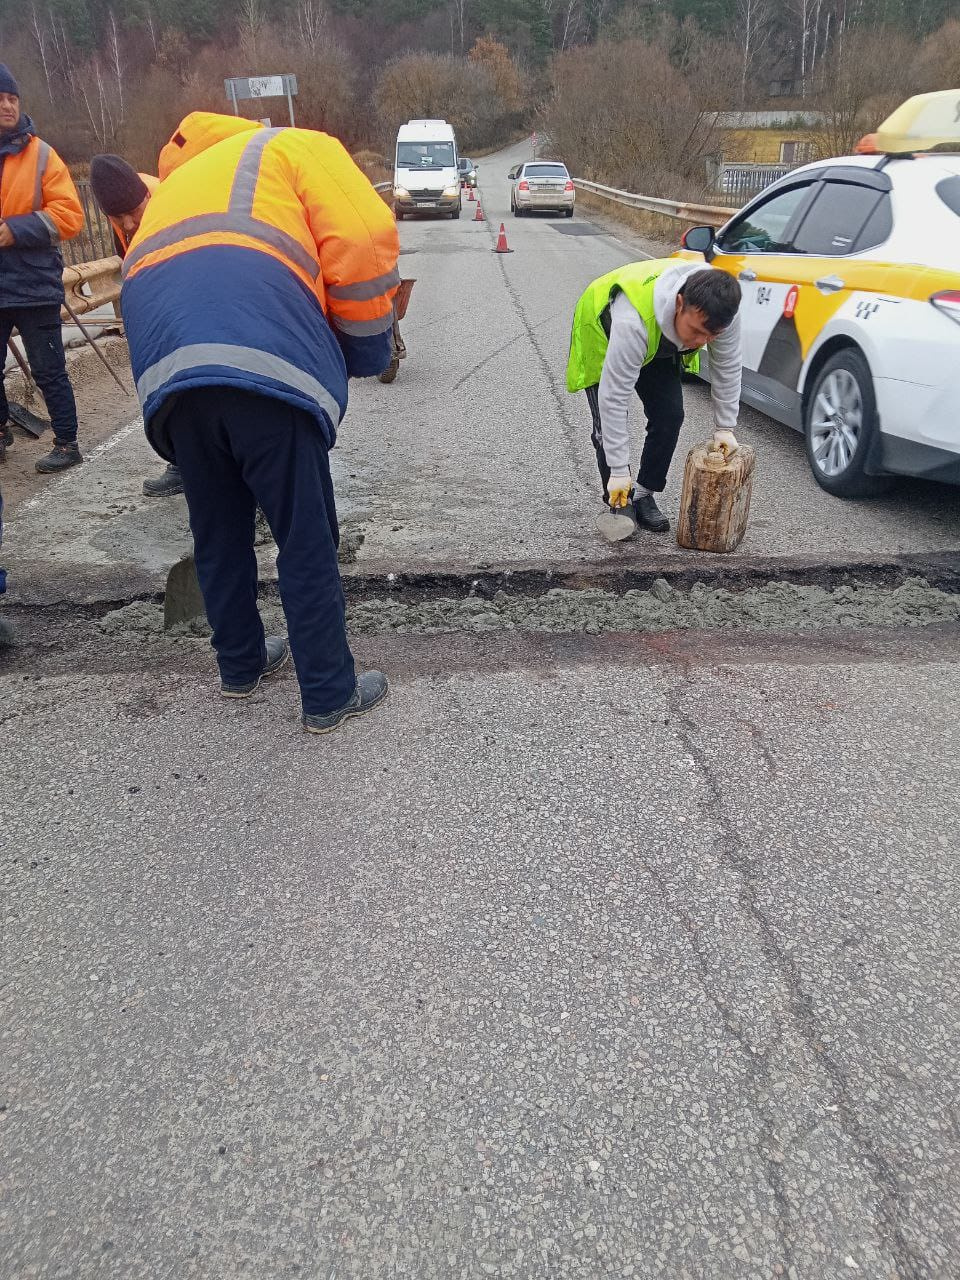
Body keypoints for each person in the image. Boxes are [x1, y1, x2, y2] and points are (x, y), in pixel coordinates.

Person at [121, 112, 400, 734]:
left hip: (170, 374)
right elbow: (362, 238)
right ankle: (329, 693)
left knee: (217, 526)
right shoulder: (295, 147)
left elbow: (138, 280)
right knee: (304, 533)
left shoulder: (177, 186)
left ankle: (241, 665)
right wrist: (368, 351)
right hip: (264, 359)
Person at [567, 259, 742, 535]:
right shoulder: (632, 321)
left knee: (669, 415)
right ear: (680, 303)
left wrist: (725, 428)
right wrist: (619, 470)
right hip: (604, 327)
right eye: (696, 331)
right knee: (606, 429)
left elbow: (728, 367)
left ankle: (643, 493)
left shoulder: (722, 314)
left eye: (711, 336)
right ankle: (620, 497)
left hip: (661, 339)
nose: (700, 342)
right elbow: (614, 398)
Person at [0, 63, 84, 473]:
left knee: (49, 369)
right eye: (0, 99)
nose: (7, 106)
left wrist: (15, 230)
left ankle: (68, 444)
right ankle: (1, 433)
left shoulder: (42, 155)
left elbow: (69, 216)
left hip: (33, 284)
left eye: (12, 98)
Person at [89, 154, 182, 498]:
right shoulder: (123, 213)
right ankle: (182, 463)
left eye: (134, 213)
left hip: (189, 297)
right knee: (164, 385)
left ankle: (246, 478)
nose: (128, 224)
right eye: (117, 217)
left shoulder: (172, 202)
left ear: (146, 197)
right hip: (158, 301)